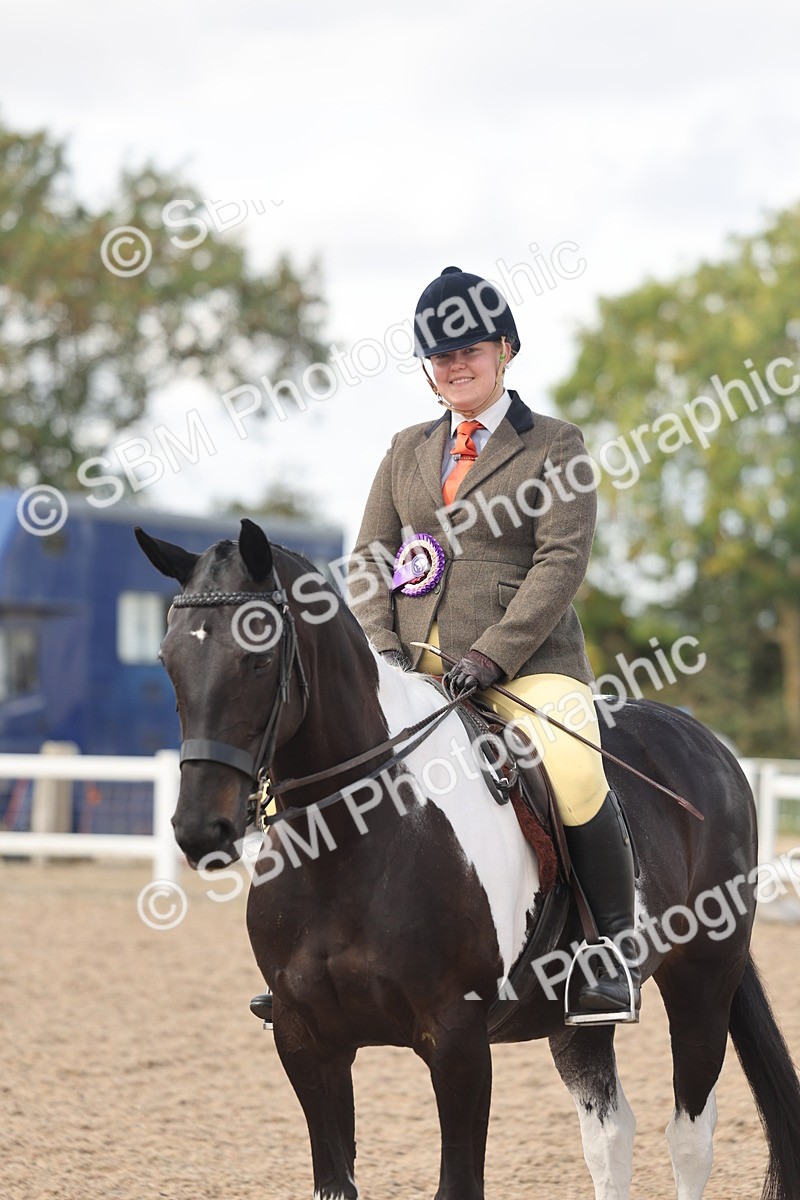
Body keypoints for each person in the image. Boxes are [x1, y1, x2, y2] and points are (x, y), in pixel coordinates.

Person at [347, 265, 640, 1019]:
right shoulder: (405, 449)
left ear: (504, 349)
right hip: (411, 667)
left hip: (523, 670)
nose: (455, 365)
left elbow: (560, 562)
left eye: (470, 349)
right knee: (328, 765)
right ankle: (318, 956)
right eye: (440, 356)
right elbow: (369, 560)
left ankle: (611, 952)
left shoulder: (553, 444)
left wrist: (492, 655)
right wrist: (380, 653)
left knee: (573, 763)